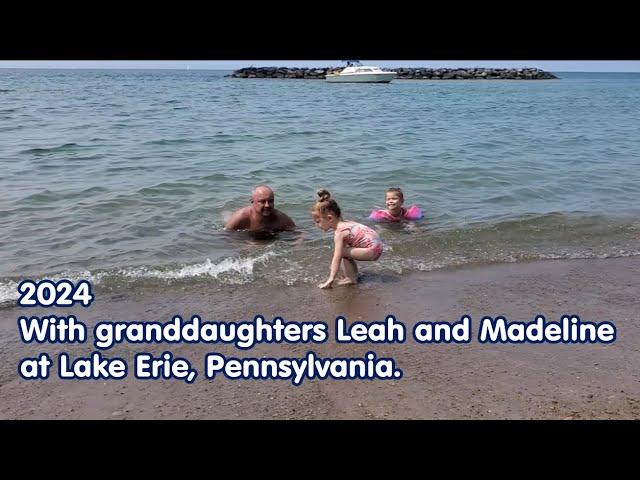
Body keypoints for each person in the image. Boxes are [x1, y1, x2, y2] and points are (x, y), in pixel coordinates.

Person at [312, 189, 383, 288]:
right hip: (378, 247)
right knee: (346, 251)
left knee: (342, 252)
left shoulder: (339, 233)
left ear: (330, 218)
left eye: (318, 221)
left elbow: (336, 258)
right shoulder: (347, 223)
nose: (316, 225)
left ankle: (351, 278)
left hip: (372, 251)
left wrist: (330, 279)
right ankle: (353, 275)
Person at [224, 185, 295, 233]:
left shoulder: (280, 218)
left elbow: (297, 232)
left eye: (270, 201)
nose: (267, 205)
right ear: (252, 201)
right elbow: (225, 236)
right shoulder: (240, 217)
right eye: (262, 201)